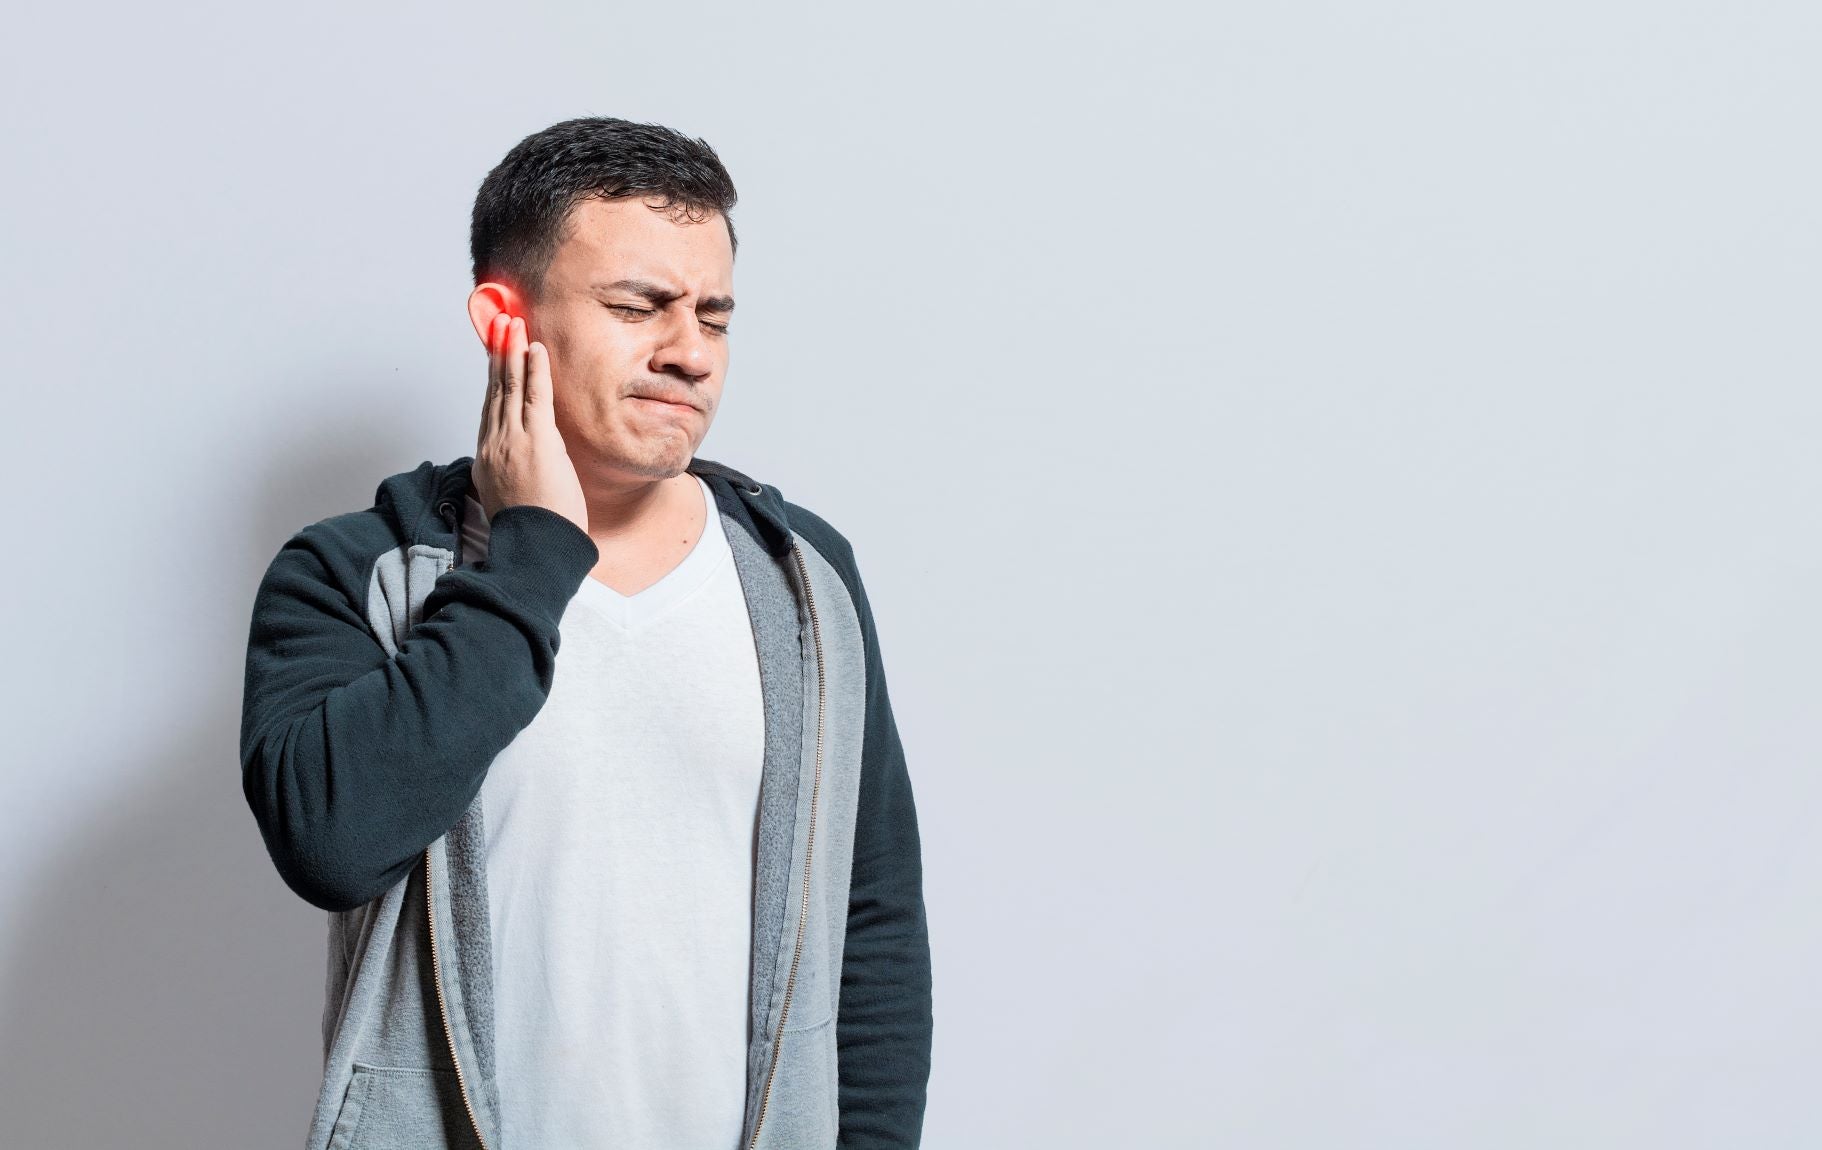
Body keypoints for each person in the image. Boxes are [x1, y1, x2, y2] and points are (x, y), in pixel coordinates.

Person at [237, 116, 933, 1150]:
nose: (690, 352)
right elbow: (334, 844)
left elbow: (871, 927)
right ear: (504, 321)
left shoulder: (802, 580)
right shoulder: (355, 573)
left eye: (714, 314)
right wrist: (531, 553)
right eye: (638, 306)